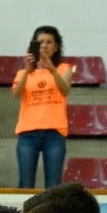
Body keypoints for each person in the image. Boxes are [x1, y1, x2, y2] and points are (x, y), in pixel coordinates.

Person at [12, 26, 73, 189]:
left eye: (49, 42)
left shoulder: (64, 69)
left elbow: (65, 90)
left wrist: (51, 69)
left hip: (54, 134)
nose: (44, 45)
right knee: (25, 185)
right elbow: (16, 94)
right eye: (40, 42)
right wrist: (27, 70)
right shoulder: (22, 72)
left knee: (53, 187)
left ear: (56, 47)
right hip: (27, 134)